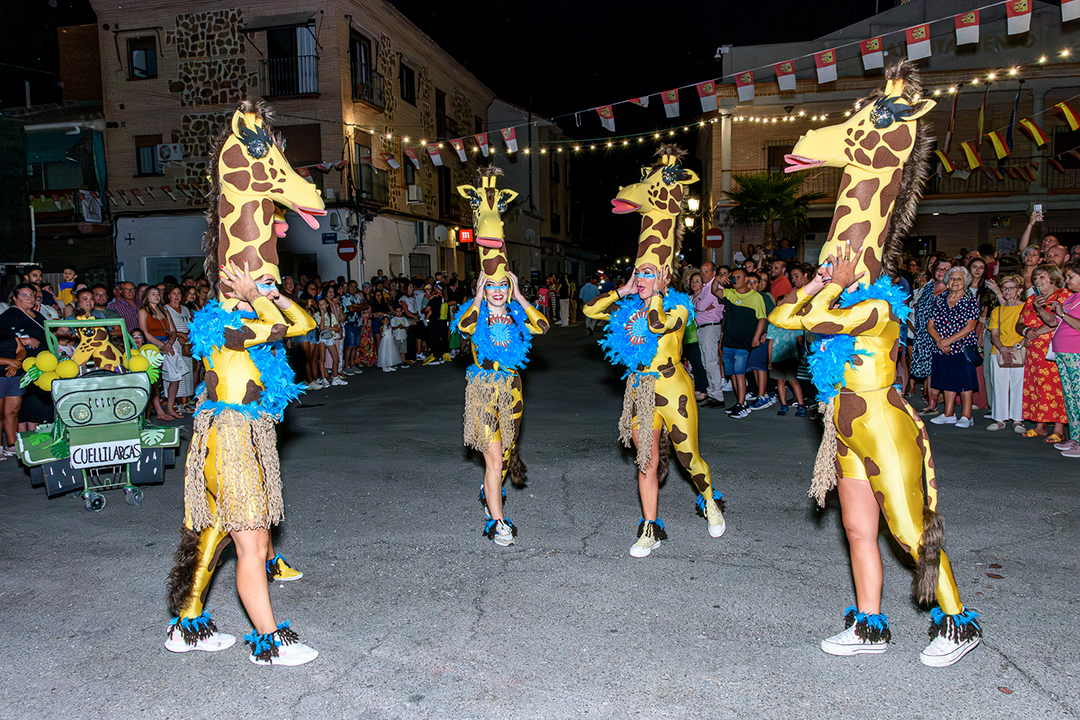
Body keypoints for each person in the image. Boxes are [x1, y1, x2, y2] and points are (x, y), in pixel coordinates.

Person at [585, 146, 725, 557]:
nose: (643, 279)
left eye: (649, 273)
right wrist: (623, 290)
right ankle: (650, 526)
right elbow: (590, 309)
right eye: (639, 272)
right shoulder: (628, 300)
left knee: (688, 458)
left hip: (675, 388)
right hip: (641, 391)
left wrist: (658, 295)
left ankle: (710, 499)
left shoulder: (679, 303)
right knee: (646, 462)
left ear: (663, 275)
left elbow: (660, 326)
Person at [454, 168, 550, 546]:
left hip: (512, 387)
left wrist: (520, 296)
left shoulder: (514, 313)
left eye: (501, 286)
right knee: (494, 459)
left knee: (505, 455)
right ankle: (498, 521)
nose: (496, 290)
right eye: (491, 285)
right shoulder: (475, 312)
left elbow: (542, 327)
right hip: (482, 387)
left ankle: (489, 492)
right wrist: (478, 295)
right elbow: (462, 328)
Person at [1019, 264, 1070, 442]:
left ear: (1053, 277)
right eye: (1035, 278)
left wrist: (1037, 329)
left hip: (1053, 351)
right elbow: (1019, 323)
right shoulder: (1032, 298)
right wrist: (1026, 332)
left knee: (1055, 389)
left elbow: (1056, 321)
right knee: (1037, 388)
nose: (1037, 280)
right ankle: (1040, 426)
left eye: (1042, 277)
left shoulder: (1063, 295)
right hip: (1034, 354)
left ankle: (1059, 429)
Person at [927, 266, 980, 428]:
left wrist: (948, 341)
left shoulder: (970, 300)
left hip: (962, 347)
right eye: (952, 278)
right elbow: (930, 325)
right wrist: (940, 342)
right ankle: (948, 413)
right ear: (947, 281)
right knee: (947, 379)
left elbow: (970, 326)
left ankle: (967, 415)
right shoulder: (938, 299)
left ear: (965, 282)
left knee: (965, 382)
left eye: (959, 279)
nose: (955, 281)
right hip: (941, 347)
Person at [719, 267, 767, 419]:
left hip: (743, 342)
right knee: (732, 373)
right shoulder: (730, 294)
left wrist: (756, 337)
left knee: (739, 374)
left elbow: (762, 318)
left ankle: (742, 403)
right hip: (729, 340)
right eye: (733, 277)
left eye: (738, 277)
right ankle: (739, 403)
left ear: (746, 279)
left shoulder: (756, 297)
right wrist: (717, 279)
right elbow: (715, 291)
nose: (735, 280)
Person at [1047, 261, 1080, 457]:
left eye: (1071, 277)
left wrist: (1063, 313)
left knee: (1079, 396)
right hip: (1063, 353)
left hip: (1076, 353)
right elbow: (1054, 322)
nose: (1066, 281)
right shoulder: (1072, 298)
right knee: (1070, 398)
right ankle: (1076, 437)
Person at [986, 274, 1026, 432]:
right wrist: (1003, 349)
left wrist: (1016, 347)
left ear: (1019, 291)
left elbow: (1028, 331)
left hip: (1019, 351)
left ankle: (1018, 420)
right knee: (999, 385)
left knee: (1018, 385)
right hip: (999, 352)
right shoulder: (997, 310)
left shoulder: (1025, 308)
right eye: (1004, 288)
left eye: (1011, 288)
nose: (1007, 291)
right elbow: (994, 335)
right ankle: (1000, 419)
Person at [912, 257, 950, 414]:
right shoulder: (929, 287)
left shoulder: (953, 289)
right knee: (928, 370)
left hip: (941, 335)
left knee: (940, 370)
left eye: (946, 269)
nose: (942, 272)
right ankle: (931, 403)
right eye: (940, 268)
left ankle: (940, 405)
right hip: (923, 334)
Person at [139, 286, 178, 421]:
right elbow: (145, 333)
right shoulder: (143, 311)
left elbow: (173, 330)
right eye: (153, 294)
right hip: (153, 346)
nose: (156, 296)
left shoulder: (164, 310)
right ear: (146, 297)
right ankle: (159, 411)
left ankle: (170, 407)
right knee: (155, 379)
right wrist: (162, 346)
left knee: (175, 376)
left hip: (167, 344)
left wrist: (170, 342)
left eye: (158, 294)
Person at [694, 262, 726, 409]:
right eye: (702, 271)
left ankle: (718, 396)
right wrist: (699, 305)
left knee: (711, 362)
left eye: (706, 271)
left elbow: (698, 306)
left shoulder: (715, 287)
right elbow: (695, 304)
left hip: (710, 327)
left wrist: (699, 305)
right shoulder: (706, 288)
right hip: (702, 327)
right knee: (706, 362)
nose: (703, 274)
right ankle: (712, 393)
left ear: (714, 273)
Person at [164, 285, 195, 415]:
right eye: (173, 293)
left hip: (186, 344)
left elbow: (190, 325)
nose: (177, 296)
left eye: (179, 293)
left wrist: (187, 335)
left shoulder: (185, 309)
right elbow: (167, 328)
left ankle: (185, 403)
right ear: (168, 295)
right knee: (175, 373)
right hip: (174, 343)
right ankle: (174, 403)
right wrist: (180, 336)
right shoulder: (165, 309)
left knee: (187, 374)